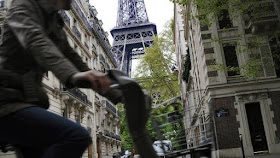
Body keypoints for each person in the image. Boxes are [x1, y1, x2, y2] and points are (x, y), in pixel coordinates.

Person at [0, 0, 111, 157]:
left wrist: (114, 90)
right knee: (76, 136)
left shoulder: (54, 21)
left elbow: (72, 57)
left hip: (27, 101)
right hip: (7, 102)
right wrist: (71, 75)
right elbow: (36, 40)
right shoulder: (23, 5)